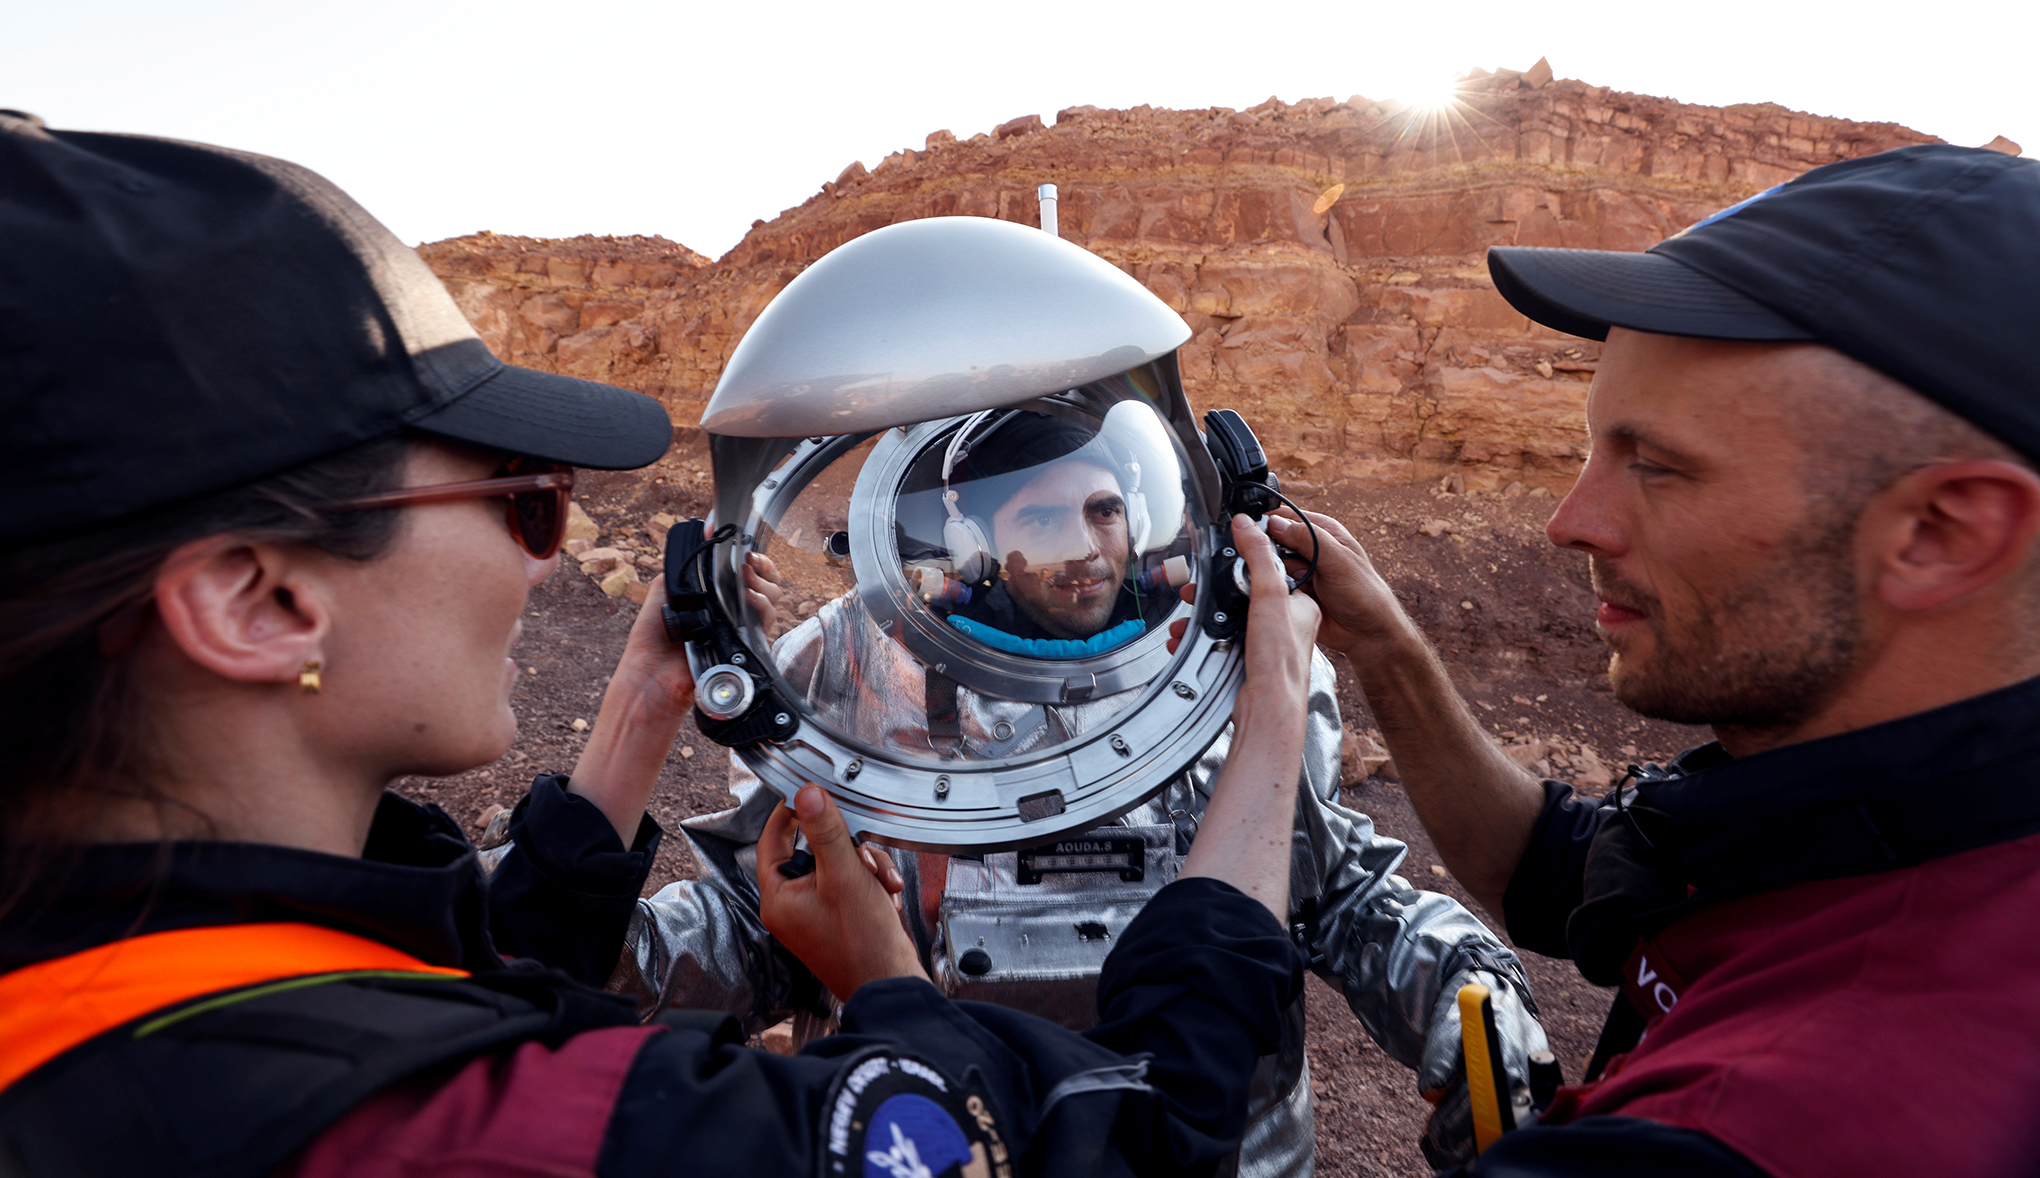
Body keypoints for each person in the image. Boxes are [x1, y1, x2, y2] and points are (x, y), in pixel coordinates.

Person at [0, 110, 1325, 1178]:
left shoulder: (98, 990)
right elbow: (1143, 1135)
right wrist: (1267, 719)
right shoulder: (519, 1129)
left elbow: (480, 968)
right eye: (523, 502)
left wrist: (638, 715)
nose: (543, 561)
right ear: (259, 603)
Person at [1275, 143, 2040, 1177]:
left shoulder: (1741, 1131)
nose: (1567, 521)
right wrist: (1388, 646)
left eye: (1658, 465)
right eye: (1590, 447)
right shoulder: (1891, 808)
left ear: (1941, 533)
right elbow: (1559, 870)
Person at [592, 406, 1548, 1176]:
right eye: (1042, 520)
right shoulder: (842, 670)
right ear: (972, 534)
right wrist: (606, 954)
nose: (1087, 547)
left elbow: (1338, 895)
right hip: (935, 1142)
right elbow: (760, 922)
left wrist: (1469, 989)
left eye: (1102, 510)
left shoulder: (1227, 660)